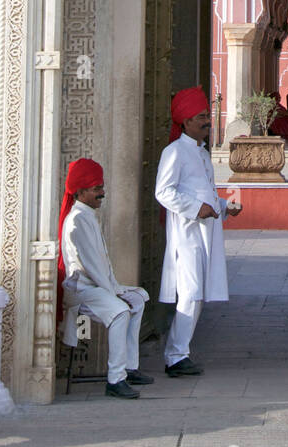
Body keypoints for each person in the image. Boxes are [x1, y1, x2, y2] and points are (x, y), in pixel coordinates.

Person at [155, 87, 242, 376]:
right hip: (186, 234)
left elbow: (203, 194)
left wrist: (224, 206)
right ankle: (175, 356)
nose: (207, 121)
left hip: (205, 233)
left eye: (207, 115)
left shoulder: (202, 154)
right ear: (187, 121)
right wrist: (195, 208)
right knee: (190, 293)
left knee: (198, 294)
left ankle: (180, 353)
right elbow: (163, 193)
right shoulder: (175, 152)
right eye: (202, 116)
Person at [58, 157, 152, 400]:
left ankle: (130, 367)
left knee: (138, 300)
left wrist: (116, 289)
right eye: (96, 188)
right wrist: (114, 292)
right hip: (82, 289)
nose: (102, 193)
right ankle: (115, 378)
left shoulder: (87, 215)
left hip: (96, 287)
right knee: (121, 311)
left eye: (101, 187)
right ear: (81, 192)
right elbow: (92, 266)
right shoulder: (78, 220)